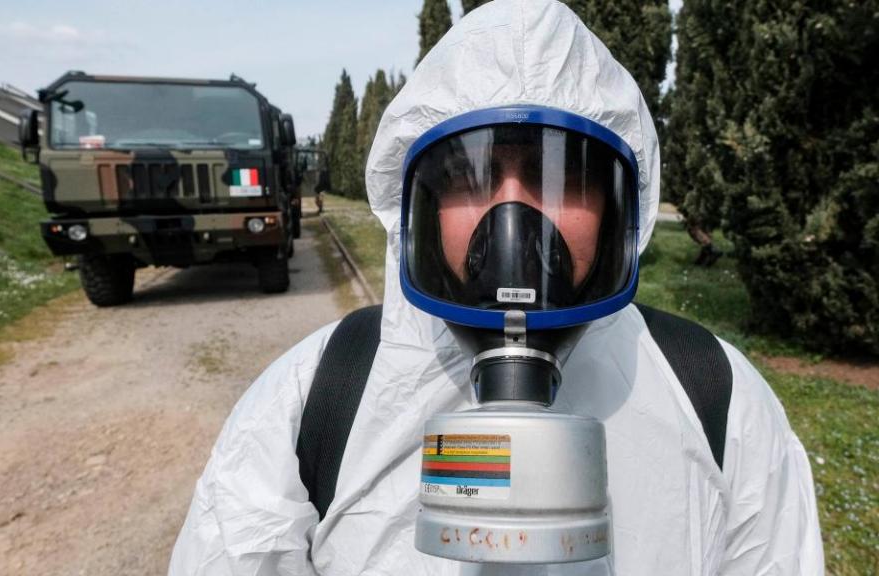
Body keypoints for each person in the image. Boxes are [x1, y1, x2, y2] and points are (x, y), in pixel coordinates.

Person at [168, 1, 824, 574]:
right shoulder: (315, 397)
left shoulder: (716, 398)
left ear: (619, 208)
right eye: (469, 177)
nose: (513, 223)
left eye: (562, 180)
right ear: (419, 202)